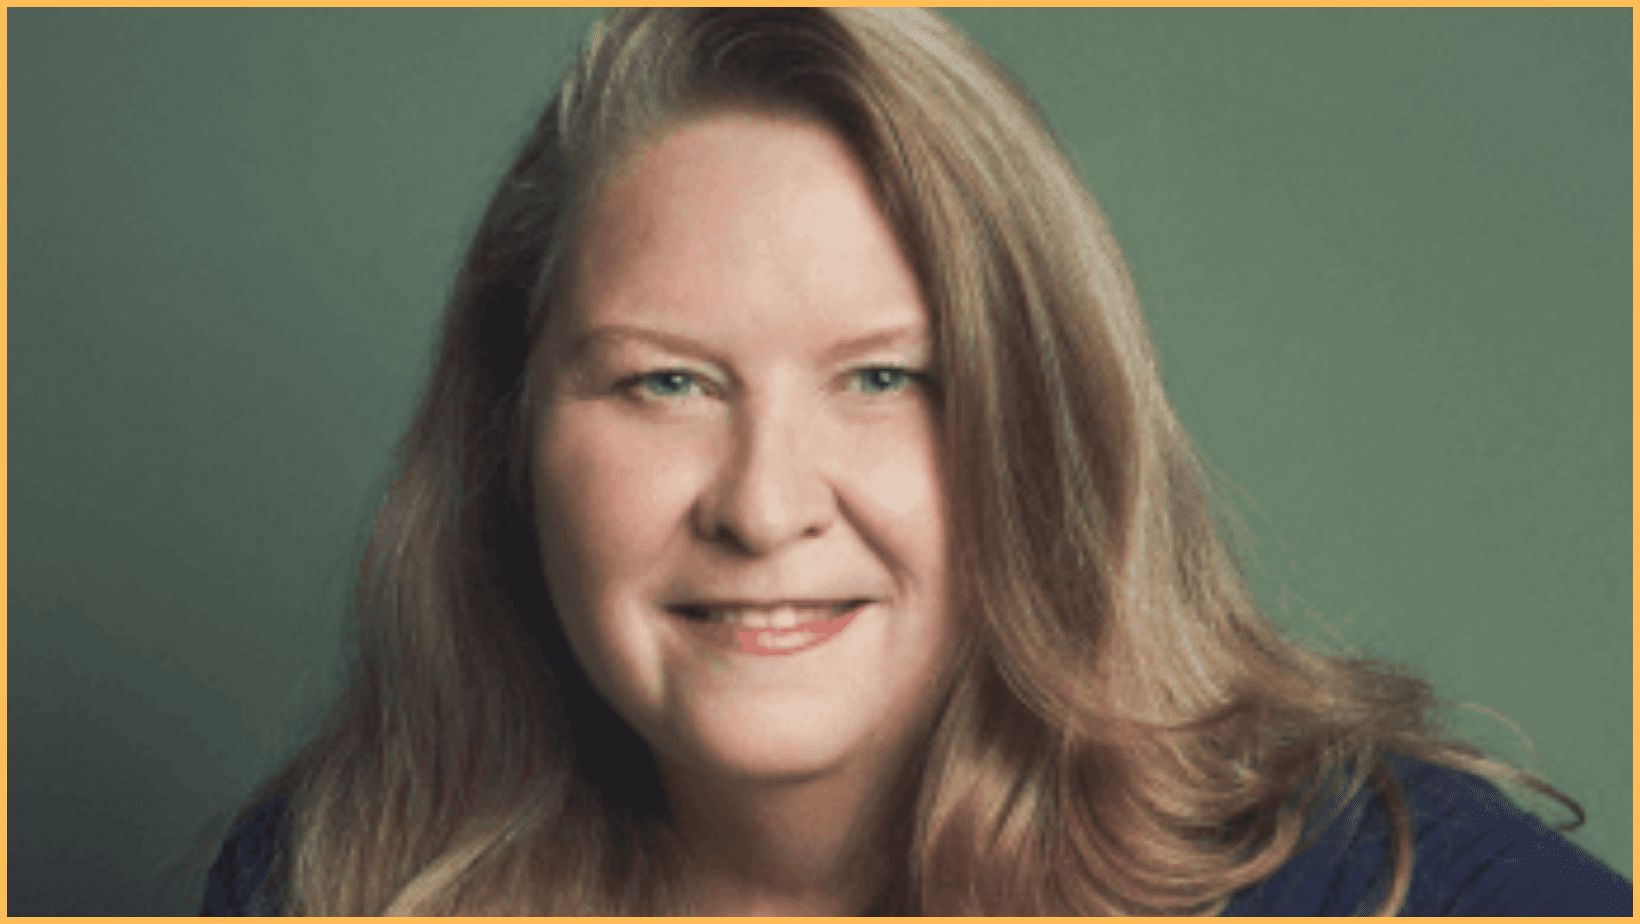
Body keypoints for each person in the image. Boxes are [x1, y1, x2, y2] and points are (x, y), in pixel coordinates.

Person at [203, 8, 1630, 915]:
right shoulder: (333, 883)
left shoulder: (1393, 889)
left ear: (1050, 432)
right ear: (510, 433)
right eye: (665, 382)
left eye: (885, 378)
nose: (764, 505)